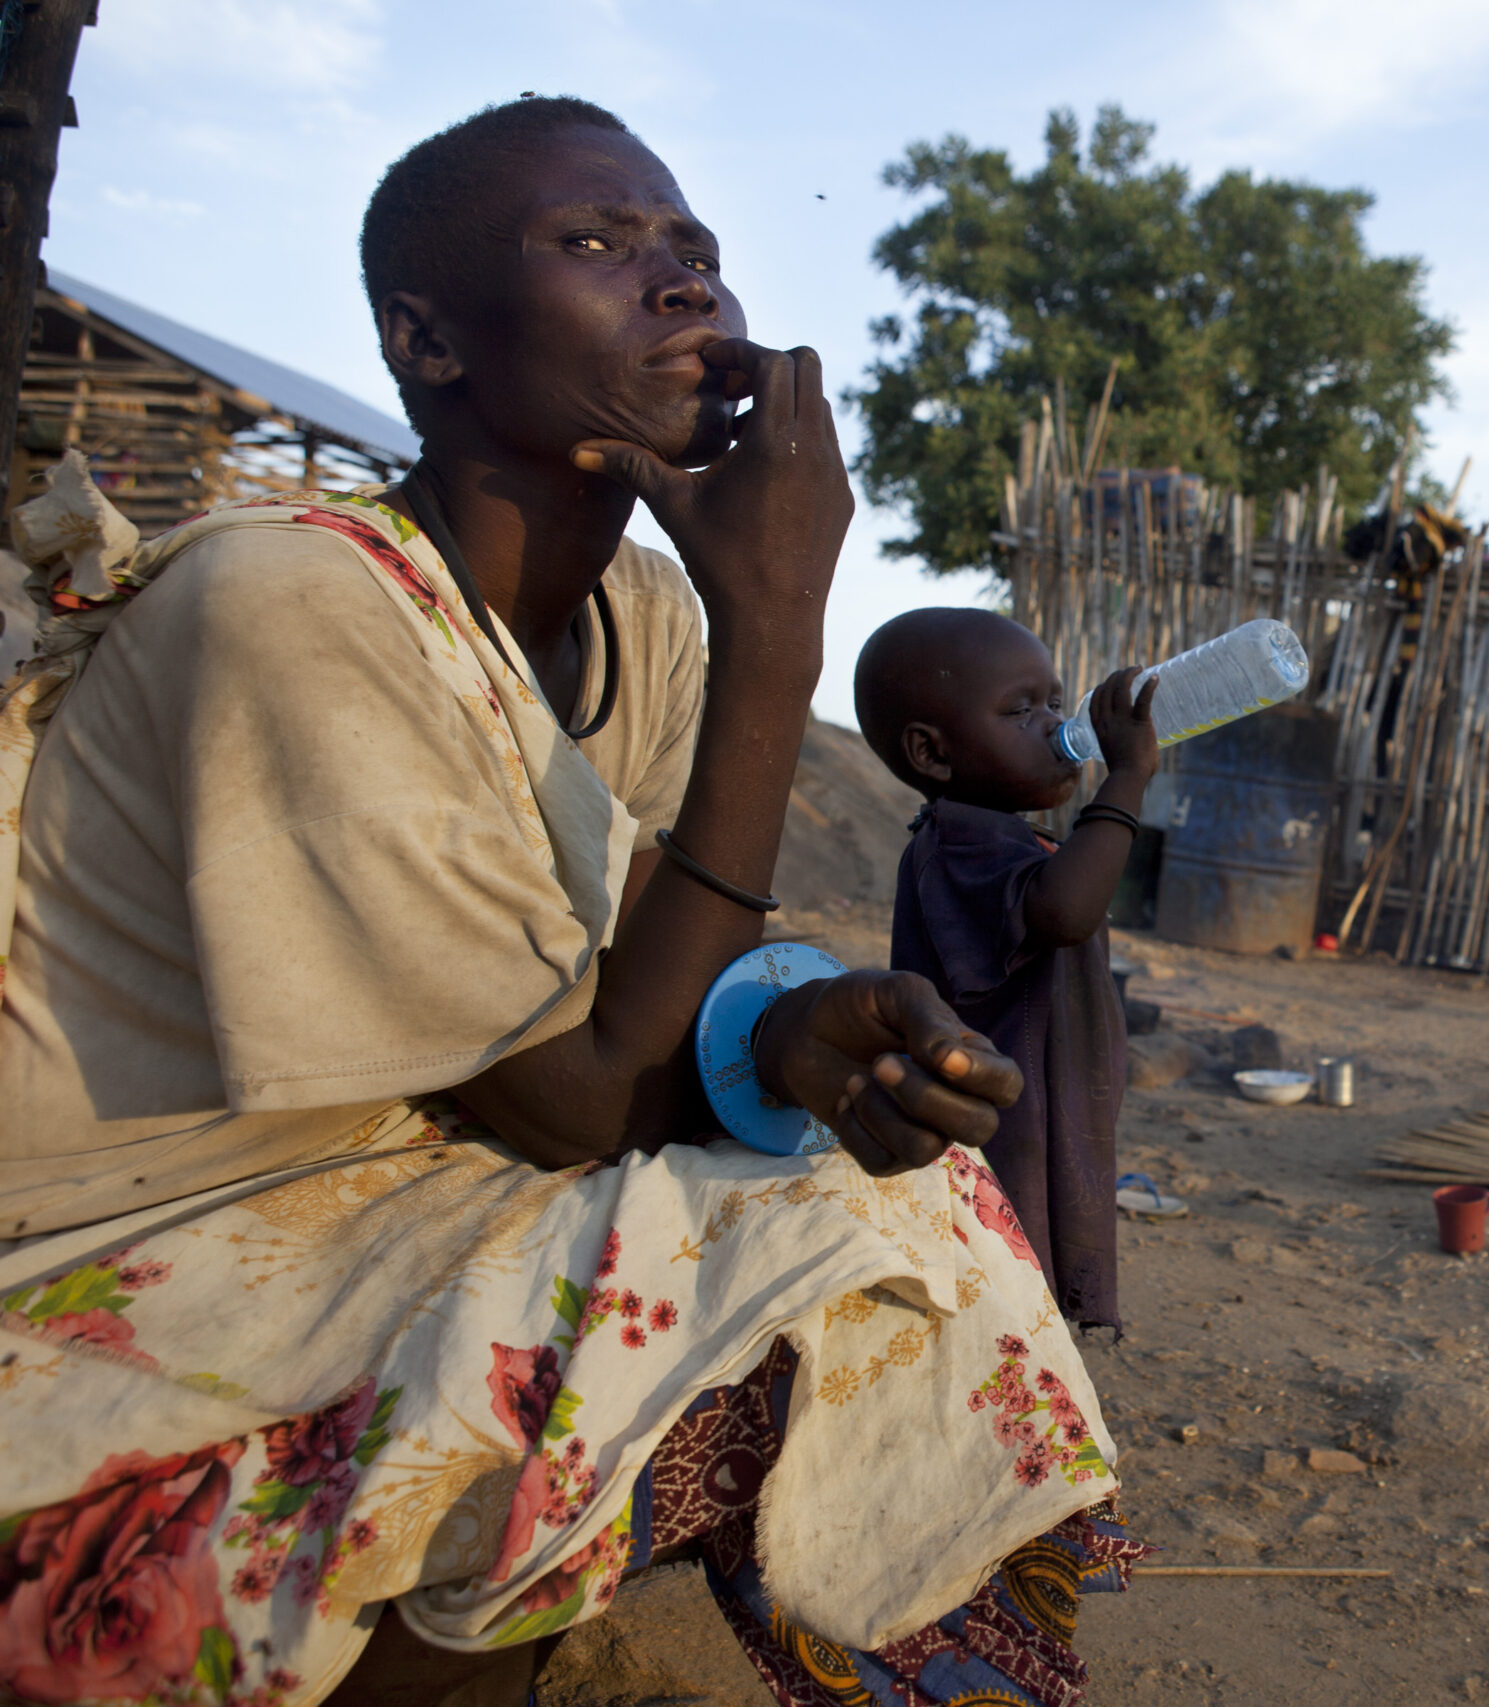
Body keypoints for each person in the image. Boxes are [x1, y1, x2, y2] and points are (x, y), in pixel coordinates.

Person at [0, 98, 1140, 1707]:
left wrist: (793, 1032)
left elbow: (664, 972)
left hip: (404, 1150)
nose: (683, 283)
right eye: (597, 243)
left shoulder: (644, 614)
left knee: (888, 1195)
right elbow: (576, 1097)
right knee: (765, 1250)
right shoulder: (290, 603)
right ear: (430, 340)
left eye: (696, 250)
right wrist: (780, 632)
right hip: (134, 1220)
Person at [855, 611, 1156, 1334]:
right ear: (932, 753)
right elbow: (1062, 913)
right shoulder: (960, 841)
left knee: (1024, 1278)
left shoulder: (1006, 837)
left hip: (1036, 1107)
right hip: (995, 1123)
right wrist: (1128, 779)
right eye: (1021, 711)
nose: (1055, 724)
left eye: (1054, 701)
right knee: (1001, 1280)